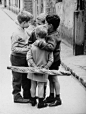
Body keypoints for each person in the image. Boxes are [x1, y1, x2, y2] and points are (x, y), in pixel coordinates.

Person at [34, 14, 62, 107]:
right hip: (53, 60)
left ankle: (58, 98)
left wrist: (41, 44)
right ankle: (51, 96)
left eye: (46, 23)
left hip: (54, 61)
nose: (45, 25)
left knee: (54, 79)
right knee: (51, 78)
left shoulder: (52, 36)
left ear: (50, 25)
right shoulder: (52, 33)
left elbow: (51, 47)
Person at [26, 26, 54, 108]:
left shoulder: (32, 47)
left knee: (33, 85)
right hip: (43, 70)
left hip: (33, 69)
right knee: (41, 85)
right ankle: (41, 102)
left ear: (36, 35)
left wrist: (34, 66)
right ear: (45, 36)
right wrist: (45, 67)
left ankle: (33, 100)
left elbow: (29, 57)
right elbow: (51, 59)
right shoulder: (48, 48)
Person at [10, 11, 33, 103]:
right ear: (23, 23)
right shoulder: (16, 33)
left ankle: (27, 95)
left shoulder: (24, 30)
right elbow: (14, 48)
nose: (30, 24)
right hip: (17, 58)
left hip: (24, 58)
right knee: (17, 78)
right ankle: (17, 96)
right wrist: (26, 50)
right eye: (28, 22)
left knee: (26, 77)